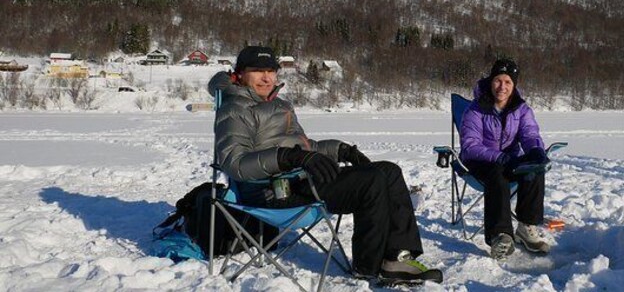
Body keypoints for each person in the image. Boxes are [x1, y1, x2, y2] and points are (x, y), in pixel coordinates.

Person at [209, 45, 442, 284]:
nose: (267, 77)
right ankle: (369, 265)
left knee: (388, 171)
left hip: (299, 180)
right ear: (240, 73)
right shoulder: (234, 108)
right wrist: (289, 158)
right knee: (370, 182)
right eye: (258, 71)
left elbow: (305, 147)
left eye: (271, 70)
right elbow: (234, 163)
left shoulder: (281, 105)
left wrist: (341, 150)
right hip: (270, 191)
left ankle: (398, 256)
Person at [459, 58, 552, 260]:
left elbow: (529, 134)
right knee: (497, 173)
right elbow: (470, 146)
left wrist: (536, 150)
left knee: (534, 167)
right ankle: (499, 235)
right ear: (491, 81)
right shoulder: (475, 109)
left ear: (514, 85)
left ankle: (526, 227)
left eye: (508, 82)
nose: (502, 87)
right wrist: (500, 157)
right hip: (479, 162)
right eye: (498, 80)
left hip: (509, 160)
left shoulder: (522, 109)